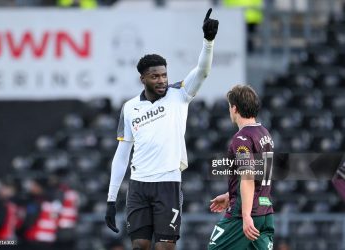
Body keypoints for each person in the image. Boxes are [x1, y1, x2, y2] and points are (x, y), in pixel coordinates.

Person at [105, 8, 219, 250]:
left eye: (164, 75)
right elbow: (122, 154)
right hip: (138, 185)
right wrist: (111, 199)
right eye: (155, 76)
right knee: (139, 246)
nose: (162, 80)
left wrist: (208, 42)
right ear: (142, 79)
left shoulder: (180, 94)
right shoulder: (130, 108)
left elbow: (203, 71)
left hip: (168, 183)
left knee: (165, 247)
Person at [208, 85, 274, 250]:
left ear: (234, 108)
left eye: (229, 106)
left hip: (244, 213)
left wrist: (245, 215)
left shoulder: (242, 138)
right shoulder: (264, 133)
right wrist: (230, 194)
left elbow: (248, 177)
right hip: (265, 209)